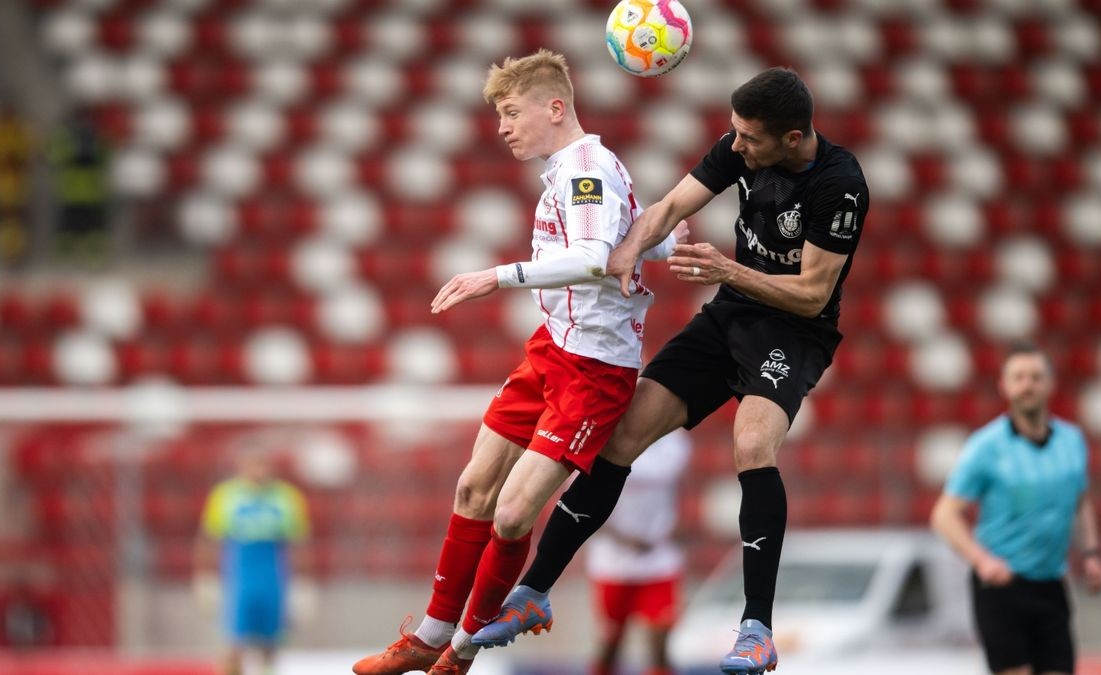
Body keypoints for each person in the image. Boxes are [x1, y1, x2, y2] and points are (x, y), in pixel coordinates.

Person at [472, 67, 869, 675]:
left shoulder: (839, 184)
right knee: (624, 436)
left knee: (752, 444)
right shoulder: (740, 145)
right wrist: (627, 253)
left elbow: (814, 294)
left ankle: (756, 629)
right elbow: (670, 206)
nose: (735, 146)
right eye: (733, 134)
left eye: (749, 139)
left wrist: (727, 271)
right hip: (730, 315)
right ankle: (535, 592)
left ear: (791, 139)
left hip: (793, 329)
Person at [351, 49, 684, 675]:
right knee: (474, 486)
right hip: (551, 348)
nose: (502, 127)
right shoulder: (573, 171)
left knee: (510, 512)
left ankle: (465, 647)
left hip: (594, 369)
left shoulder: (587, 168)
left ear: (554, 108)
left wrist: (494, 277)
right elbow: (622, 238)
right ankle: (428, 636)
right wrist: (664, 243)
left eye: (511, 113)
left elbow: (590, 255)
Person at [930, 342, 1101, 675]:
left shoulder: (1072, 441)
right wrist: (982, 560)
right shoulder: (986, 447)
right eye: (1019, 377)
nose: (1027, 385)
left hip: (1052, 584)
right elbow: (944, 515)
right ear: (1005, 385)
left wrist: (1092, 552)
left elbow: (1081, 500)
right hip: (1002, 588)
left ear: (1050, 385)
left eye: (1036, 377)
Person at [195, 448, 313, 675]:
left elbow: (299, 542)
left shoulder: (287, 497)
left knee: (272, 640)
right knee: (234, 641)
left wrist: (303, 582)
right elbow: (209, 539)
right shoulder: (226, 496)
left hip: (273, 573)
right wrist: (205, 577)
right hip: (239, 573)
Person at [586, 430, 690, 675]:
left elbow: (682, 480)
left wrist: (681, 519)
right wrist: (623, 538)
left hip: (659, 558)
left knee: (660, 642)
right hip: (613, 562)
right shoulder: (603, 437)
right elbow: (582, 504)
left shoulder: (672, 438)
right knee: (612, 642)